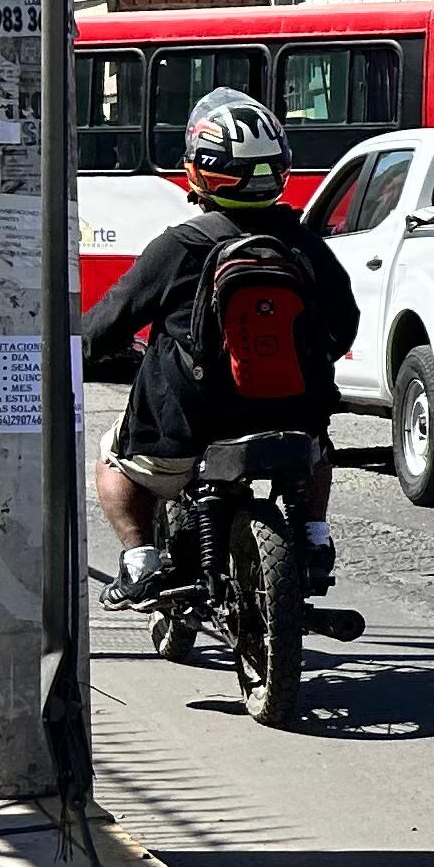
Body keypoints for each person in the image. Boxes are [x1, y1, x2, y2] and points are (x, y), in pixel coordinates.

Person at [81, 90, 359, 604]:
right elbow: (345, 328)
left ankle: (140, 561)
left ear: (201, 173)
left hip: (185, 427)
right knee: (318, 446)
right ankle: (315, 537)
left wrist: (75, 358)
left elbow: (102, 328)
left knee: (111, 458)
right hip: (293, 418)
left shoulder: (181, 245)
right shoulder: (305, 245)